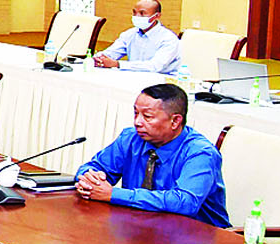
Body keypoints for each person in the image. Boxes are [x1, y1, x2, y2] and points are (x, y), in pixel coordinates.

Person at [73, 83, 230, 228]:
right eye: (136, 113)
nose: (137, 122)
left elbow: (185, 202)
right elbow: (95, 167)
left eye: (147, 116)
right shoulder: (131, 138)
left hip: (198, 238)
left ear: (175, 121)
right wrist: (89, 180)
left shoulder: (200, 153)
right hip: (141, 228)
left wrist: (113, 194)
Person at [93, 0, 181, 72]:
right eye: (134, 12)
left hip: (162, 80)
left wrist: (117, 64)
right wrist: (99, 59)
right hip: (134, 76)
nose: (137, 16)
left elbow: (155, 66)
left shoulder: (169, 39)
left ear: (156, 16)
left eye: (142, 13)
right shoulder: (129, 34)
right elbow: (111, 53)